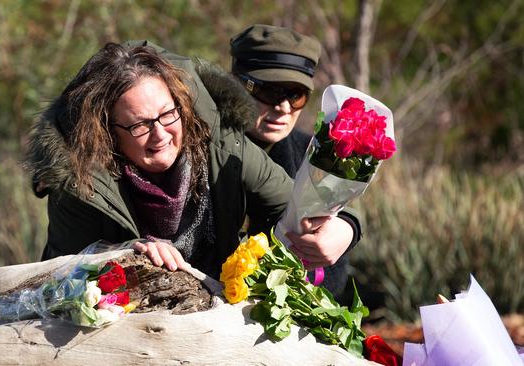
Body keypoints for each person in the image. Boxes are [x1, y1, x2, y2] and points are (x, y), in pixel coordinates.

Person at [26, 41, 360, 281]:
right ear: (107, 133)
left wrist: (344, 227)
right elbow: (62, 273)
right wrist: (128, 254)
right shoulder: (81, 180)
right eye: (140, 125)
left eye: (168, 115)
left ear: (181, 106)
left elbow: (295, 203)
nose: (161, 135)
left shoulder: (221, 142)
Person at [229, 24, 360, 297]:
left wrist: (347, 229)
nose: (284, 108)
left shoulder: (311, 151)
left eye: (295, 95)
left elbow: (346, 210)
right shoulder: (198, 145)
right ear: (238, 85)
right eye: (270, 92)